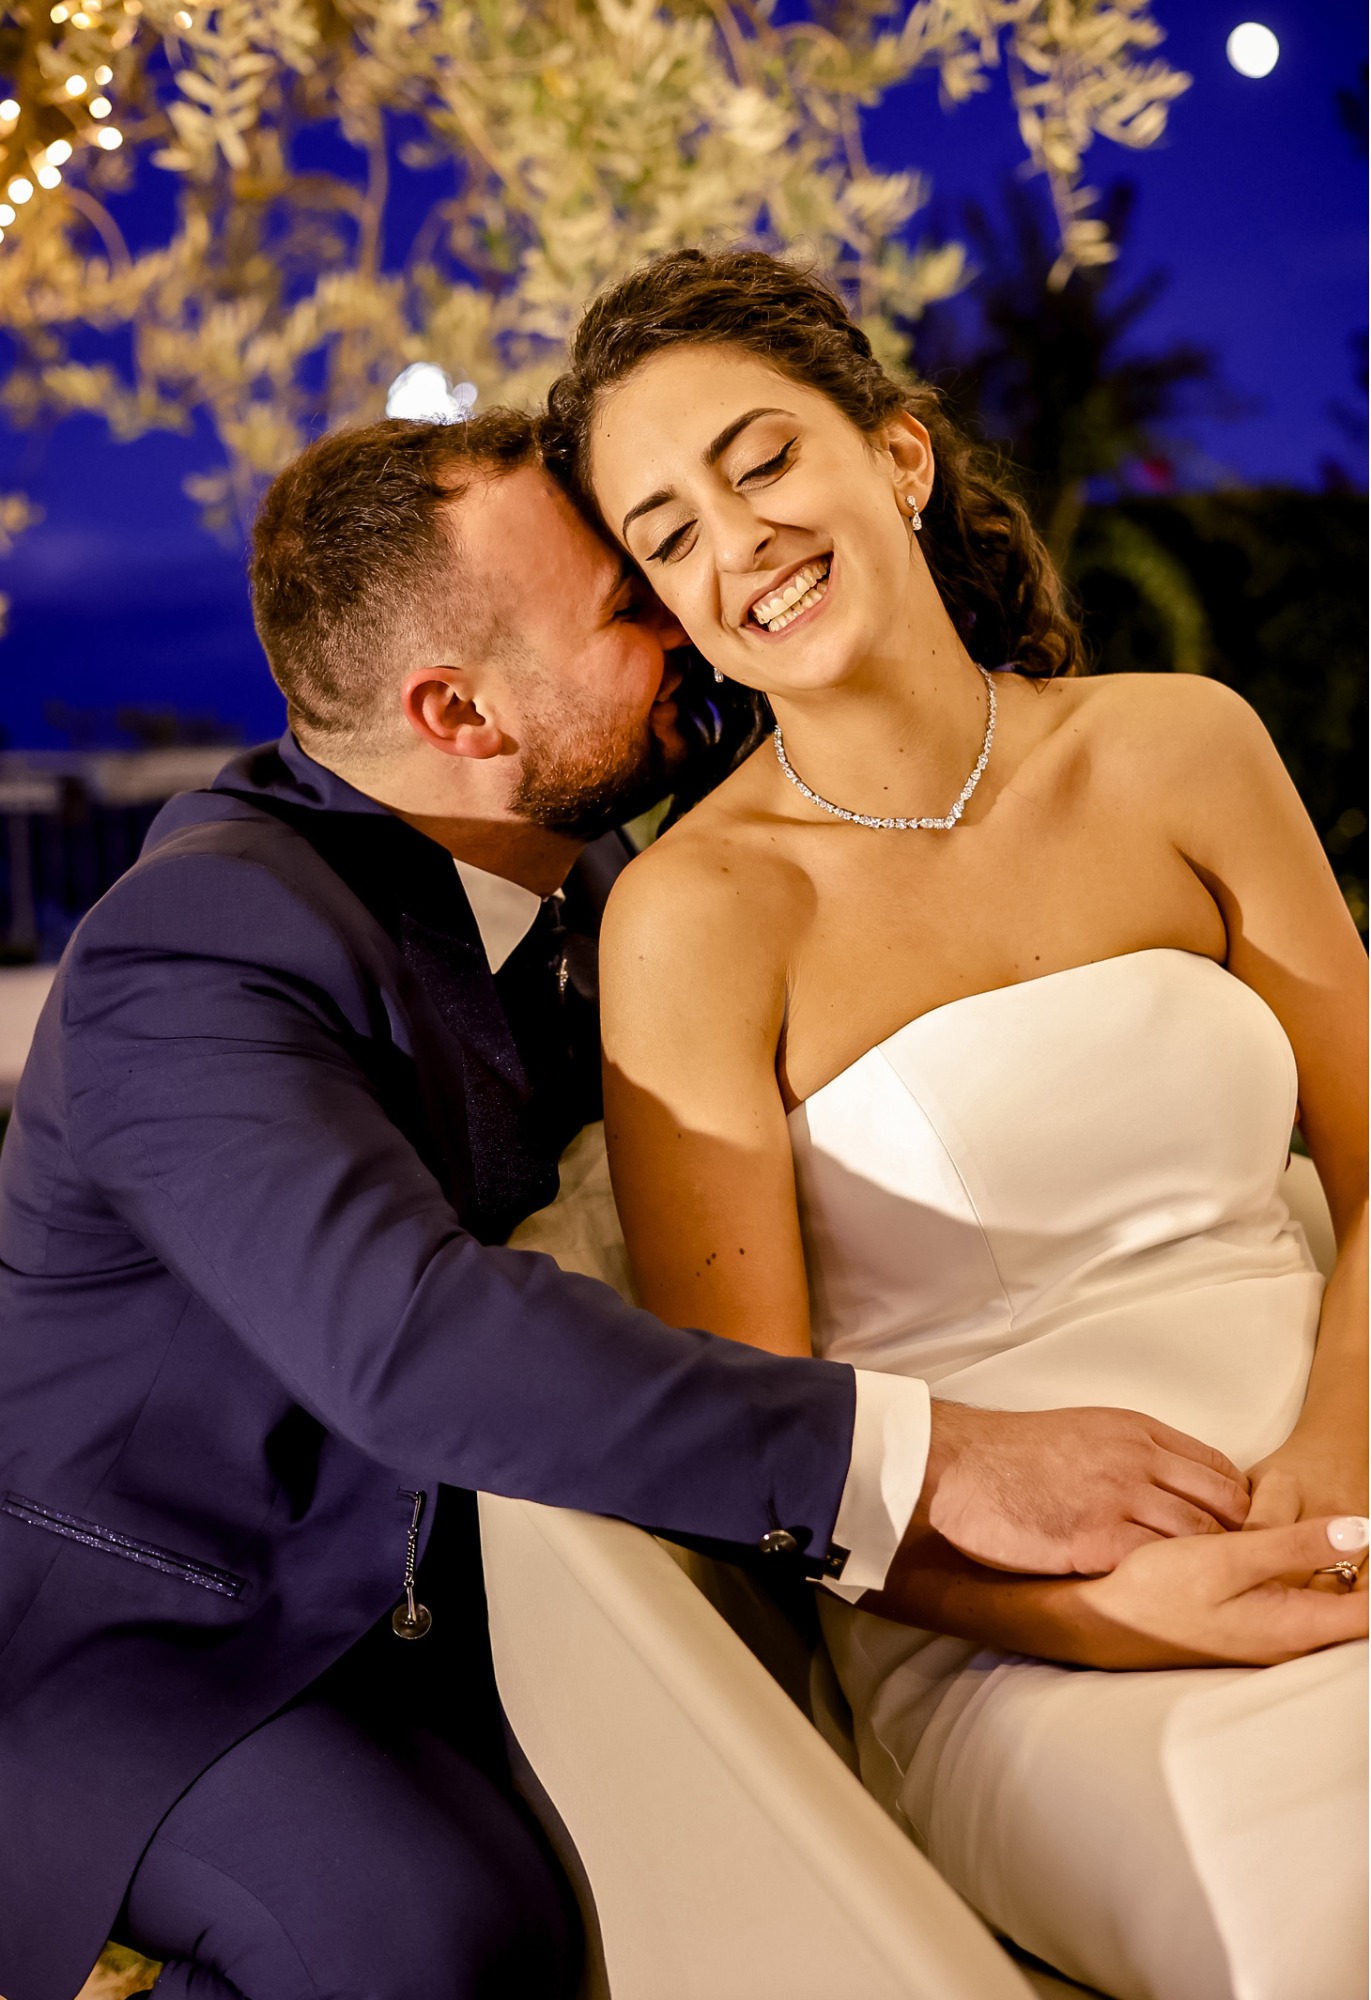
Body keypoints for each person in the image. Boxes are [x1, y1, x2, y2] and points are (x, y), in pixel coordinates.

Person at [0, 411, 1258, 2000]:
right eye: (626, 606)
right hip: (185, 1638)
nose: (684, 621)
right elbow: (411, 1340)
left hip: (524, 1578)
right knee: (436, 1930)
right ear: (457, 710)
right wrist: (941, 1462)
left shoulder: (586, 878)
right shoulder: (195, 948)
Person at [535, 247, 1371, 2000]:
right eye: (670, 536)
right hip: (1013, 1637)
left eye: (763, 461)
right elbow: (756, 1450)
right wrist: (1104, 1617)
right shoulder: (695, 917)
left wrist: (1337, 1456)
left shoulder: (1184, 748)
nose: (738, 541)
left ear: (899, 456)